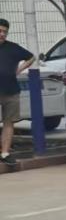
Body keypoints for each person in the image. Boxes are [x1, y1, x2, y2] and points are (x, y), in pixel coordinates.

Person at [0, 18, 34, 167]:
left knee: (9, 122)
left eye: (5, 32)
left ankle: (5, 153)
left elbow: (31, 57)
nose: (2, 34)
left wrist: (19, 69)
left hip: (11, 91)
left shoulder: (13, 48)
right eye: (0, 31)